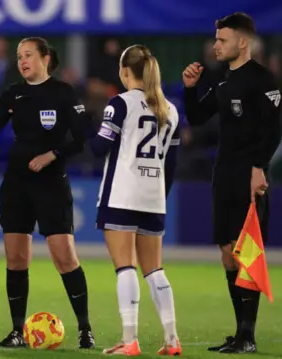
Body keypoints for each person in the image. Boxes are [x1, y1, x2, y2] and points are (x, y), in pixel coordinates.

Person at [0, 37, 95, 349]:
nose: (22, 61)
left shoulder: (63, 93)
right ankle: (17, 331)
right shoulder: (13, 93)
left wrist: (52, 155)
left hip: (51, 184)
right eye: (19, 56)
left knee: (65, 258)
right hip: (16, 185)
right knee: (16, 260)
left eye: (28, 55)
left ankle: (85, 328)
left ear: (45, 58)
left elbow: (81, 138)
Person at [182, 12, 282, 354]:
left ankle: (248, 336)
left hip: (248, 175)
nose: (216, 46)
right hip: (223, 175)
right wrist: (190, 89)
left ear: (243, 42)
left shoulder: (263, 79)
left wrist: (259, 167)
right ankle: (240, 331)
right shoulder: (224, 82)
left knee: (246, 253)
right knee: (227, 253)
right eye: (216, 40)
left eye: (222, 40)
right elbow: (196, 117)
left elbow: (274, 130)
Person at [90, 44, 182, 356]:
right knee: (155, 270)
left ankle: (129, 340)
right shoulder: (170, 109)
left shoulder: (120, 103)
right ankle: (172, 340)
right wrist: (158, 194)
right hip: (154, 198)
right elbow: (171, 164)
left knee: (125, 267)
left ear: (125, 71)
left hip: (122, 194)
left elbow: (99, 148)